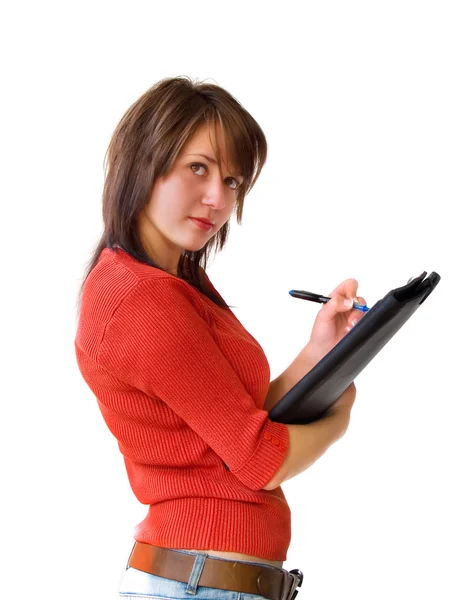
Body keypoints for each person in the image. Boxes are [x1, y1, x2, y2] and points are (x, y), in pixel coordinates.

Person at [74, 75, 366, 600]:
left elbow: (239, 419)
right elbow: (262, 458)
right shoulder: (143, 300)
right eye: (198, 168)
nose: (216, 198)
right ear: (144, 161)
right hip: (200, 582)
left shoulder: (169, 282)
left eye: (232, 181)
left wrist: (319, 351)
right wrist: (340, 419)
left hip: (204, 581)